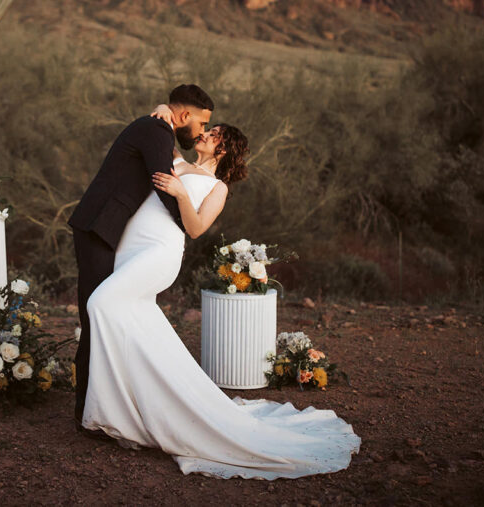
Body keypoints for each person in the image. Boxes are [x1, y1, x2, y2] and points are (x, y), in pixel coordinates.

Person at [80, 109, 361, 480]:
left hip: (158, 254)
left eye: (214, 134)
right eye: (208, 129)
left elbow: (195, 228)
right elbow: (162, 134)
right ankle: (129, 407)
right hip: (131, 248)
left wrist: (181, 193)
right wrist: (164, 111)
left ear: (224, 150)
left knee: (100, 303)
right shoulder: (176, 160)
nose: (206, 134)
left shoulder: (217, 187)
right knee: (130, 323)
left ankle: (117, 411)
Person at [68, 84, 215, 432]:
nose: (201, 131)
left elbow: (174, 171)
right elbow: (165, 184)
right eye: (200, 123)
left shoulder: (158, 128)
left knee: (103, 314)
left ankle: (98, 404)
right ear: (184, 116)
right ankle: (88, 412)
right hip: (98, 228)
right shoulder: (156, 130)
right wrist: (185, 224)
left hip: (107, 232)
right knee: (95, 315)